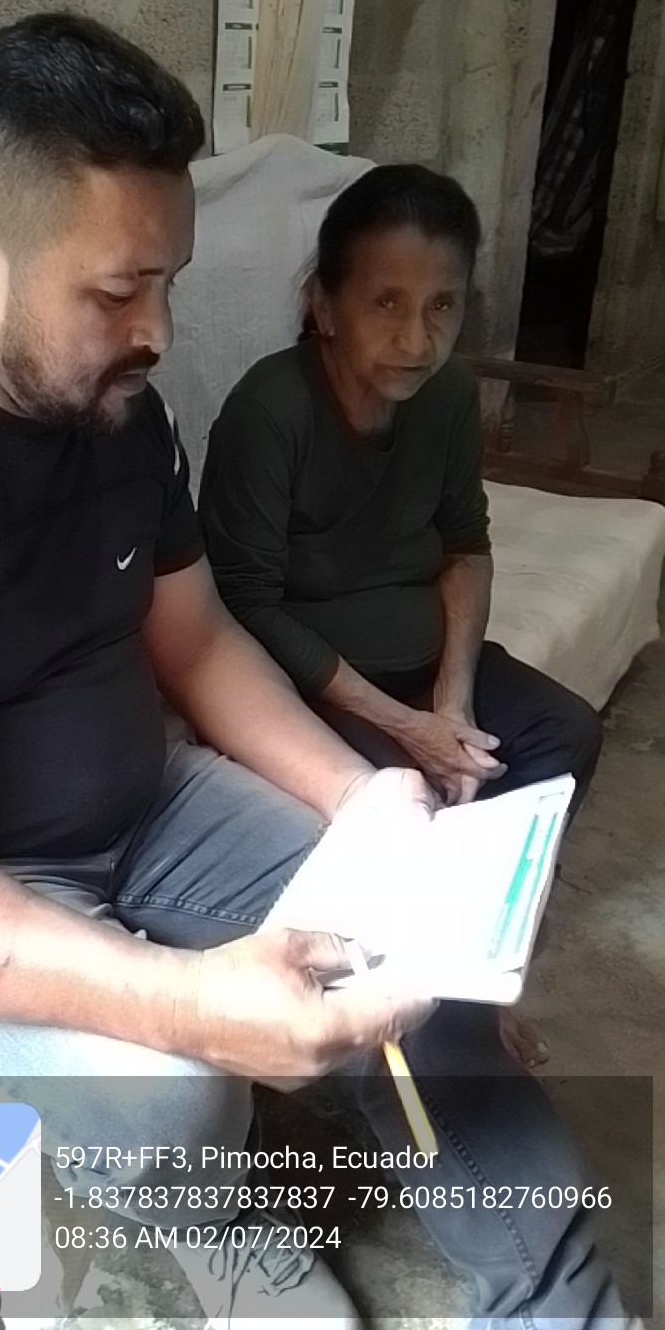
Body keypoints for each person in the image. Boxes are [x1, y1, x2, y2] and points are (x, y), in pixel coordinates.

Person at [0, 16, 634, 1330]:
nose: (155, 329)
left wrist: (360, 798)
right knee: (179, 1098)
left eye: (170, 284)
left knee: (417, 935)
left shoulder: (118, 411)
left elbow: (193, 642)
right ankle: (193, 1225)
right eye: (116, 292)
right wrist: (184, 1001)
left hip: (148, 807)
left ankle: (560, 1305)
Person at [199, 164, 604, 1067]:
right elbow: (245, 605)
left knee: (561, 735)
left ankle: (480, 978)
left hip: (424, 671)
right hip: (308, 685)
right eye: (385, 303)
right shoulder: (270, 411)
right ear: (323, 305)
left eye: (441, 306)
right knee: (409, 800)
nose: (417, 339)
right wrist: (406, 727)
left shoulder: (447, 396)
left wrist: (451, 702)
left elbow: (465, 546)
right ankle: (423, 1021)